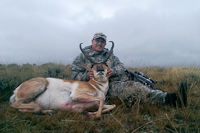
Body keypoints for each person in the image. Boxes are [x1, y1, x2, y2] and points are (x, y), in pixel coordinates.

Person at [71, 32, 187, 107]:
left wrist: (113, 71)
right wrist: (88, 75)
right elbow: (74, 76)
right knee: (136, 88)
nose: (99, 43)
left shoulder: (110, 55)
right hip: (102, 87)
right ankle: (171, 100)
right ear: (92, 41)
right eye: (97, 41)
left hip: (120, 79)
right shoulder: (81, 57)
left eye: (102, 41)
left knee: (142, 84)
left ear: (105, 44)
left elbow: (120, 67)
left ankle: (166, 96)